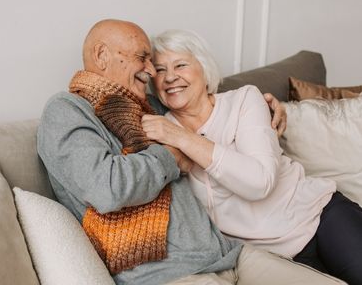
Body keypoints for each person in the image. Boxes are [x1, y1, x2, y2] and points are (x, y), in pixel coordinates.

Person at [37, 19, 345, 285]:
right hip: (175, 274)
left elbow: (201, 102)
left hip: (231, 254)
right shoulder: (67, 111)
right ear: (102, 55)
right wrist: (172, 156)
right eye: (144, 59)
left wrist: (271, 106)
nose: (151, 71)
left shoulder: (148, 107)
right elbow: (106, 188)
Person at [142, 28, 362, 285]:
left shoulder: (244, 100)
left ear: (204, 69)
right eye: (159, 70)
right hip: (270, 258)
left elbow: (259, 182)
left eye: (180, 65)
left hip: (319, 216)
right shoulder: (159, 129)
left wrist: (184, 139)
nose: (170, 77)